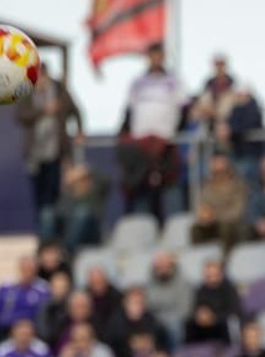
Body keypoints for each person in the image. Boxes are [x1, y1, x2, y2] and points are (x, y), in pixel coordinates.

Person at [117, 43, 190, 221]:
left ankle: (175, 228)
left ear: (163, 56)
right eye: (152, 54)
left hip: (165, 143)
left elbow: (185, 109)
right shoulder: (137, 82)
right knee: (141, 188)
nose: (155, 58)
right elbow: (128, 111)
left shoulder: (174, 81)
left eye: (159, 54)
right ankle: (141, 232)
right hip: (141, 144)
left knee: (170, 185)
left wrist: (174, 132)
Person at [14, 64, 84, 239]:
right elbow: (20, 116)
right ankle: (43, 231)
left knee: (55, 195)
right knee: (40, 194)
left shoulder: (59, 90)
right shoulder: (27, 92)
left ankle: (53, 233)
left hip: (56, 152)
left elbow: (75, 110)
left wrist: (79, 131)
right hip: (35, 155)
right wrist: (44, 110)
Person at [191, 151, 250, 250]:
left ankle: (225, 259)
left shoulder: (238, 184)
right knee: (195, 229)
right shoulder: (208, 185)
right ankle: (199, 257)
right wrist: (204, 217)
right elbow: (204, 204)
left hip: (231, 223)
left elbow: (238, 210)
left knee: (225, 227)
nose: (218, 168)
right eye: (215, 164)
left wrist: (217, 217)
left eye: (221, 163)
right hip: (211, 222)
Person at [103, 286, 172, 357]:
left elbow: (160, 343)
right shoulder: (115, 321)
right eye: (135, 302)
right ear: (125, 303)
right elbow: (109, 346)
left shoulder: (151, 320)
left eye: (141, 303)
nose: (138, 306)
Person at [183, 258, 242, 346]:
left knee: (229, 322)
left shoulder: (229, 289)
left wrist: (214, 318)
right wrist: (200, 316)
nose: (211, 277)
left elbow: (234, 310)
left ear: (221, 273)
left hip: (222, 322)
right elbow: (196, 308)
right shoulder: (200, 290)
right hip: (204, 323)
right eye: (208, 275)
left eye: (214, 274)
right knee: (188, 323)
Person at [54, 163, 108, 252]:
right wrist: (68, 180)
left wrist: (87, 170)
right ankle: (52, 249)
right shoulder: (68, 197)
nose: (81, 183)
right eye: (78, 181)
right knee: (48, 215)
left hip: (92, 234)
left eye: (84, 180)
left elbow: (106, 181)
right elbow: (61, 215)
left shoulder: (95, 194)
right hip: (70, 235)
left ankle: (68, 251)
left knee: (82, 212)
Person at [0, 256, 52, 329]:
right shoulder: (6, 286)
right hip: (5, 328)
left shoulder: (43, 289)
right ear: (19, 269)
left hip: (32, 330)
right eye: (24, 269)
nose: (27, 273)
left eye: (30, 270)